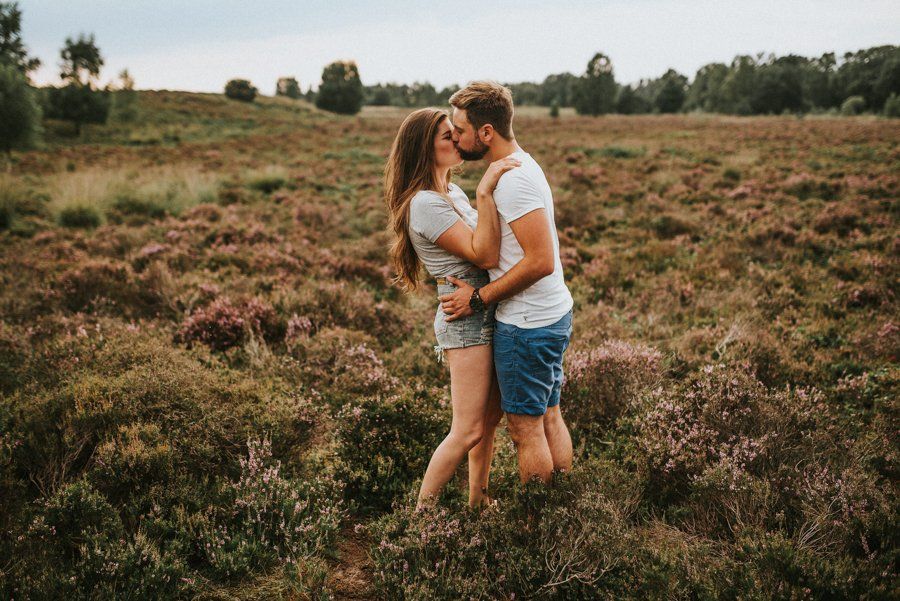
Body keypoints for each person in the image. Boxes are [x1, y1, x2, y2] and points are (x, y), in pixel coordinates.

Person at [383, 107, 521, 508]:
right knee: (466, 429)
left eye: (455, 132)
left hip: (482, 306)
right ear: (424, 150)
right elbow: (484, 253)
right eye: (448, 136)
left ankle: (478, 501)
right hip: (465, 320)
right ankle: (421, 516)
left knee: (486, 423)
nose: (458, 140)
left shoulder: (450, 193)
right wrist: (487, 190)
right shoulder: (425, 203)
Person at [439, 81, 575, 484]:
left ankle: (539, 525)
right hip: (550, 315)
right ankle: (565, 504)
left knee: (525, 429)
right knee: (549, 416)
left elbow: (541, 261)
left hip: (528, 325)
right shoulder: (522, 165)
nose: (455, 138)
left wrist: (478, 298)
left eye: (460, 131)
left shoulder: (513, 181)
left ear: (486, 132)